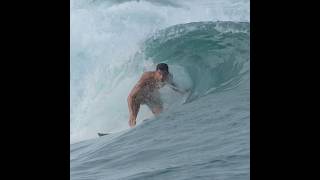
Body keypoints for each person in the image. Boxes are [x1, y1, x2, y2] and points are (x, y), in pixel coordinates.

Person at [127, 63, 187, 127]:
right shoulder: (147, 77)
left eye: (164, 74)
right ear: (156, 72)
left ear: (167, 73)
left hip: (152, 96)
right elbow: (130, 97)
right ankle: (132, 124)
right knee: (136, 99)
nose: (162, 77)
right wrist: (131, 114)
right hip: (141, 95)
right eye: (159, 73)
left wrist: (183, 92)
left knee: (160, 115)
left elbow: (173, 86)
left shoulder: (168, 77)